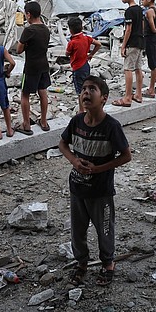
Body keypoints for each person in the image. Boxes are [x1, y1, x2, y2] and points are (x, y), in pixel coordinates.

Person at [58, 75, 132, 287]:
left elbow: (126, 156)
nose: (86, 93)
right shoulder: (77, 122)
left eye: (92, 89)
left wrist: (98, 169)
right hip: (77, 187)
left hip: (101, 191)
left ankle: (108, 263)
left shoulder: (111, 126)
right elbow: (63, 144)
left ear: (104, 98)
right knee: (78, 229)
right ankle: (81, 263)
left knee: (104, 229)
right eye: (83, 89)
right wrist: (74, 161)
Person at [14, 1, 52, 134]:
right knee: (43, 92)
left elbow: (19, 50)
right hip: (44, 65)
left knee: (25, 94)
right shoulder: (45, 29)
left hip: (31, 67)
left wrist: (22, 42)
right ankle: (44, 121)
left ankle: (26, 124)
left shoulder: (28, 30)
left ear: (29, 14)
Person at [112, 0, 144, 106]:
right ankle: (139, 95)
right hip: (140, 42)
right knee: (138, 68)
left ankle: (127, 98)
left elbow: (128, 29)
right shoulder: (140, 9)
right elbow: (142, 26)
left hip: (132, 43)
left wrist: (123, 45)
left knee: (128, 69)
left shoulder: (129, 11)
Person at [66, 16, 100, 94]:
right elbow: (98, 44)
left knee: (80, 92)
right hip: (85, 65)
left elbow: (67, 54)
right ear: (82, 27)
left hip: (77, 68)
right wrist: (91, 54)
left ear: (70, 30)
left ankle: (82, 105)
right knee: (86, 87)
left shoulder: (72, 43)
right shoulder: (87, 38)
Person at [139, 0, 156, 98]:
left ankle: (151, 90)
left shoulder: (149, 11)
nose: (142, 2)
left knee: (152, 65)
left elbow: (153, 27)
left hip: (150, 39)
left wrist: (155, 31)